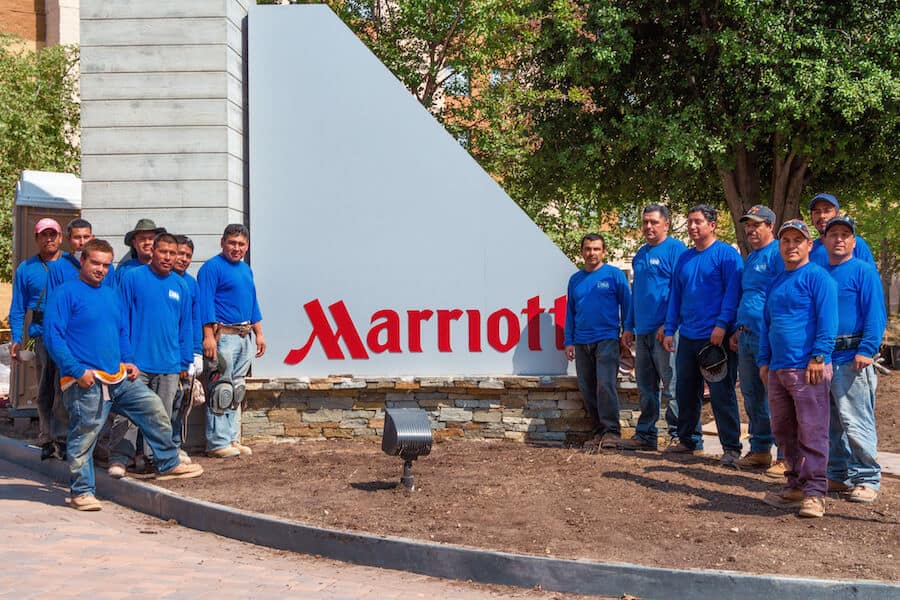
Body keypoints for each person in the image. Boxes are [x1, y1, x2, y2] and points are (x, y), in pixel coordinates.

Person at [43, 239, 202, 511]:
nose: (101, 269)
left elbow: (121, 332)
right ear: (82, 261)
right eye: (95, 263)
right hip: (86, 380)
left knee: (152, 407)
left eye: (106, 265)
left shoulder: (109, 294)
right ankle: (81, 492)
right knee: (85, 435)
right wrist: (76, 370)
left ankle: (167, 462)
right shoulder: (65, 293)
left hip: (118, 377)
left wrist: (128, 360)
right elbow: (53, 337)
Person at [758, 219, 837, 518]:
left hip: (808, 368)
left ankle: (815, 492)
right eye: (786, 241)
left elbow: (828, 320)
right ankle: (794, 485)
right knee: (783, 430)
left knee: (813, 430)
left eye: (797, 241)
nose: (791, 246)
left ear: (809, 245)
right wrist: (764, 360)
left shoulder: (819, 278)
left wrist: (819, 356)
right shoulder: (777, 281)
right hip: (779, 368)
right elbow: (767, 324)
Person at [107, 233, 194, 478]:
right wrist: (125, 357)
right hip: (137, 364)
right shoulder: (132, 278)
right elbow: (121, 319)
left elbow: (185, 327)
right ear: (153, 251)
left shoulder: (181, 286)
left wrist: (186, 361)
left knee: (161, 416)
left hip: (169, 364)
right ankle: (119, 459)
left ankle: (158, 460)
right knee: (128, 415)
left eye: (172, 253)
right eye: (163, 251)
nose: (168, 257)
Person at [662, 205, 743, 466]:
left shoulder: (727, 256)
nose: (693, 226)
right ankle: (689, 441)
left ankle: (731, 447)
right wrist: (670, 328)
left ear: (713, 225)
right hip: (687, 335)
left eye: (698, 222)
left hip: (715, 337)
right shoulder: (684, 259)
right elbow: (676, 296)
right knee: (686, 390)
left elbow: (733, 293)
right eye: (690, 222)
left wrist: (722, 325)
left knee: (721, 393)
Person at [822, 216, 886, 504]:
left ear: (853, 241)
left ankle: (867, 477)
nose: (838, 239)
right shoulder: (819, 272)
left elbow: (876, 314)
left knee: (856, 419)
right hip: (824, 356)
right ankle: (837, 473)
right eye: (833, 234)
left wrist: (867, 348)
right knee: (832, 422)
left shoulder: (862, 271)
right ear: (824, 240)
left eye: (844, 235)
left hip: (852, 355)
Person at [620, 205, 686, 451]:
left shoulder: (676, 250)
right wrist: (628, 326)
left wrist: (668, 325)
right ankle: (646, 435)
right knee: (646, 387)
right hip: (642, 332)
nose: (648, 227)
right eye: (645, 222)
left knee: (671, 386)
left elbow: (681, 292)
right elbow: (636, 292)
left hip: (665, 332)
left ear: (666, 224)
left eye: (654, 222)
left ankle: (681, 436)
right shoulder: (640, 254)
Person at [198, 224, 266, 458]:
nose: (236, 248)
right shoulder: (211, 268)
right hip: (223, 336)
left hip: (244, 334)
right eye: (232, 243)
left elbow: (252, 301)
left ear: (247, 246)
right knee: (221, 389)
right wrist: (208, 336)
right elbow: (205, 303)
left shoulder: (246, 269)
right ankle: (217, 442)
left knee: (236, 390)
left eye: (241, 244)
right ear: (222, 242)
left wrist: (259, 332)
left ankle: (232, 438)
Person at [728, 205, 786, 475]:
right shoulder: (751, 258)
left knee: (778, 397)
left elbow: (779, 297)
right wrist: (738, 329)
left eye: (756, 225)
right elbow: (748, 296)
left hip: (768, 337)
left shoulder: (777, 254)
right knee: (752, 397)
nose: (751, 230)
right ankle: (761, 450)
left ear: (770, 226)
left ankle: (786, 455)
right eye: (748, 226)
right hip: (747, 336)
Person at [564, 233, 631, 451]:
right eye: (588, 249)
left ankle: (612, 432)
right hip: (581, 341)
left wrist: (627, 331)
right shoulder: (575, 279)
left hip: (607, 339)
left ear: (603, 251)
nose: (591, 253)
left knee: (605, 385)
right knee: (587, 387)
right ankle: (598, 432)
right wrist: (569, 340)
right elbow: (570, 312)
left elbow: (627, 305)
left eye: (596, 249)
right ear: (582, 251)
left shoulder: (614, 275)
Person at [9, 218, 67, 460]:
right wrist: (16, 338)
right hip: (41, 334)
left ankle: (63, 438)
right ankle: (47, 436)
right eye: (44, 235)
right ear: (37, 239)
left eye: (53, 234)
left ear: (61, 237)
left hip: (67, 333)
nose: (49, 238)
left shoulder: (71, 265)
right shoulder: (26, 268)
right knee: (45, 389)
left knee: (64, 387)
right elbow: (18, 307)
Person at [47, 218, 116, 295]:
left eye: (86, 237)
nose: (82, 242)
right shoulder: (58, 268)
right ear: (68, 239)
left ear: (92, 238)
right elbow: (53, 300)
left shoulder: (106, 267)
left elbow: (113, 297)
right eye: (77, 237)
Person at [807, 193, 876, 267]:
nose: (822, 216)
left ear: (837, 215)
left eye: (827, 211)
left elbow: (870, 277)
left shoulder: (855, 244)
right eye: (817, 212)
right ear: (812, 217)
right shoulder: (808, 250)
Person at [113, 218, 166, 285]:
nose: (147, 242)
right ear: (134, 243)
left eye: (151, 238)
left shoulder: (165, 268)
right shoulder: (124, 271)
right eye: (142, 239)